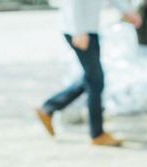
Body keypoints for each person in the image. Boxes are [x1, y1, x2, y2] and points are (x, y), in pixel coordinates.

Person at [35, 0, 141, 147]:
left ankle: (48, 108)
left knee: (92, 78)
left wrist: (127, 10)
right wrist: (78, 31)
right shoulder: (79, 30)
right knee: (96, 81)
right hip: (80, 31)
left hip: (89, 29)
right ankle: (97, 134)